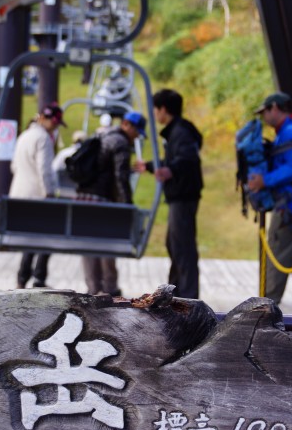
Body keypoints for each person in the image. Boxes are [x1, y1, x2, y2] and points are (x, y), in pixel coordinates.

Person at [247, 92, 292, 314]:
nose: (264, 118)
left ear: (275, 107)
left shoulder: (290, 133)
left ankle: (264, 316)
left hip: (290, 207)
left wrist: (264, 180)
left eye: (265, 112)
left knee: (276, 260)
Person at [135, 89, 203, 299]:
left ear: (163, 110)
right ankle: (175, 291)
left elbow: (187, 159)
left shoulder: (180, 132)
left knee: (182, 246)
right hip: (180, 196)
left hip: (183, 196)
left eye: (156, 109)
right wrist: (148, 166)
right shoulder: (177, 131)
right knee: (174, 244)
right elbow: (175, 160)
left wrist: (170, 170)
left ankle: (187, 297)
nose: (155, 114)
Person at [78, 111, 146, 295]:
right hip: (101, 199)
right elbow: (120, 178)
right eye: (137, 131)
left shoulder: (103, 135)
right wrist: (128, 206)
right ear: (126, 125)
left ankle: (93, 288)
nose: (138, 136)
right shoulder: (121, 142)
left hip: (84, 197)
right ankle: (110, 289)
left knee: (89, 244)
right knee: (107, 243)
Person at [9, 102, 64, 289]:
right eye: (55, 123)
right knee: (46, 238)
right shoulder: (43, 139)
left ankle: (22, 278)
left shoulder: (24, 135)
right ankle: (38, 277)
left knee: (30, 240)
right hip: (37, 196)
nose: (56, 127)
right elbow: (44, 169)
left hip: (19, 195)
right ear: (46, 119)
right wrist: (49, 193)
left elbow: (14, 166)